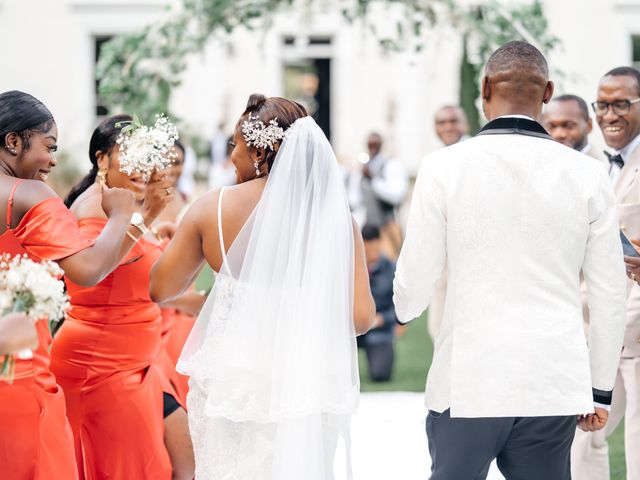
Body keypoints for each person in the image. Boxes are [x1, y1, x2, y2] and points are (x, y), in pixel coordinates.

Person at [394, 41, 627, 480]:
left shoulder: (442, 167)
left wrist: (405, 308)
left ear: (483, 89)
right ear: (547, 92)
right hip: (551, 380)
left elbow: (414, 283)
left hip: (468, 380)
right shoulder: (588, 175)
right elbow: (609, 294)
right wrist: (598, 390)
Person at [150, 94, 375, 479]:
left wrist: (171, 239)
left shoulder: (211, 209)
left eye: (235, 146)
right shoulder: (336, 220)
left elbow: (161, 288)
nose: (231, 157)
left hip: (236, 382)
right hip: (307, 382)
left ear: (257, 152)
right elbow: (360, 318)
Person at [0, 90, 136, 480]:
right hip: (18, 379)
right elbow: (88, 269)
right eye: (48, 145)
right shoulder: (28, 196)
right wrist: (121, 216)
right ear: (13, 142)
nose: (53, 159)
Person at [50, 114, 182, 479]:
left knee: (177, 458)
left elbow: (128, 263)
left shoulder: (122, 207)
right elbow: (96, 271)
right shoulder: (95, 207)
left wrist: (157, 226)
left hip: (133, 361)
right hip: (102, 365)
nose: (142, 165)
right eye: (131, 154)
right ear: (102, 159)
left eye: (148, 154)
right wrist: (150, 216)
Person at [571, 66, 640, 480]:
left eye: (621, 104)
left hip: (639, 327)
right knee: (582, 435)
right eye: (603, 105)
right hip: (595, 327)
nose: (610, 115)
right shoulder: (592, 166)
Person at [428, 105, 471, 341]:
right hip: (442, 259)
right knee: (438, 327)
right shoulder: (434, 160)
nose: (448, 127)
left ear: (465, 124)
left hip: (472, 257)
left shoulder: (476, 154)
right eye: (441, 123)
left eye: (453, 121)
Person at [348, 133, 408, 258]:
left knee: (389, 267)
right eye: (370, 144)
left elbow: (396, 196)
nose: (373, 147)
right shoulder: (363, 168)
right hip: (367, 230)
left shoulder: (390, 165)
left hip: (387, 228)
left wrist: (373, 180)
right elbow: (355, 200)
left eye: (375, 144)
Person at [357, 224, 398, 382]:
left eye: (372, 250)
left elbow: (398, 308)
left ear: (380, 244)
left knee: (381, 374)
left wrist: (382, 319)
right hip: (353, 330)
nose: (369, 255)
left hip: (379, 331)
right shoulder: (350, 267)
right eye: (365, 251)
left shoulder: (391, 269)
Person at [542, 94, 607, 161]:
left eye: (568, 126)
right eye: (551, 126)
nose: (559, 134)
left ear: (589, 125)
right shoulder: (541, 163)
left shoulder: (604, 168)